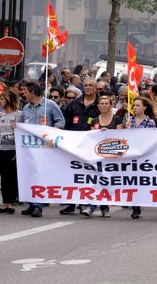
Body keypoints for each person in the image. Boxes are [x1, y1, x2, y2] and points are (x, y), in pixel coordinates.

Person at [18, 80, 65, 218]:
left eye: (25, 91)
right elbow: (22, 125)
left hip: (44, 149)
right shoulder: (26, 108)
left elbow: (60, 122)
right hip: (29, 149)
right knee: (30, 175)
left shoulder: (50, 105)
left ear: (32, 92)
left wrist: (52, 134)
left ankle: (39, 205)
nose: (23, 93)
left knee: (41, 176)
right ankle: (32, 203)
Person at [59, 78, 100, 216]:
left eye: (91, 86)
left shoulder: (100, 104)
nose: (87, 88)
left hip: (92, 146)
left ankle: (85, 202)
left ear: (95, 88)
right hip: (74, 144)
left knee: (87, 176)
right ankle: (70, 203)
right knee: (72, 174)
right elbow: (66, 123)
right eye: (86, 85)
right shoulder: (75, 103)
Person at [123, 97, 157, 219]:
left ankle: (139, 202)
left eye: (138, 105)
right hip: (130, 155)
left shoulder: (150, 122)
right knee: (132, 180)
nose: (135, 108)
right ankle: (135, 206)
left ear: (144, 107)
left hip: (143, 156)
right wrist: (125, 129)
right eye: (134, 106)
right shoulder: (129, 121)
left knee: (140, 181)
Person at [0, 89, 22, 214]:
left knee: (11, 177)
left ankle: (11, 202)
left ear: (9, 100)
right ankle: (6, 203)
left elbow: (24, 131)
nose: (0, 102)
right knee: (3, 177)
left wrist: (17, 127)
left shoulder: (19, 114)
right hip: (1, 150)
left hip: (13, 150)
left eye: (2, 99)